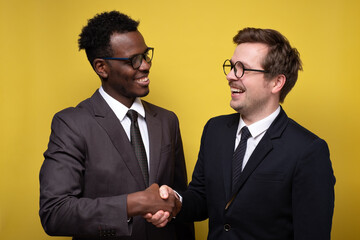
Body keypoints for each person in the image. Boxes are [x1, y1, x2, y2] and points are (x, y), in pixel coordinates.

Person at [147, 27, 335, 239]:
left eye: (242, 69)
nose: (229, 76)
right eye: (231, 66)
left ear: (276, 82)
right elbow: (201, 199)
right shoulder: (214, 130)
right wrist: (175, 201)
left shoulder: (308, 151)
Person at [39, 11, 194, 240]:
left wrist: (175, 203)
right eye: (134, 60)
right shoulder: (71, 124)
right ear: (102, 67)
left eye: (146, 55)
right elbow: (55, 213)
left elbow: (179, 194)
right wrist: (134, 203)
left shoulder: (167, 120)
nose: (146, 66)